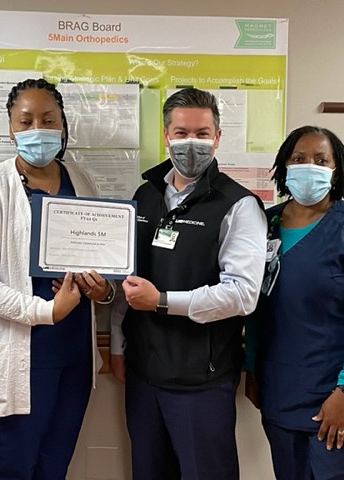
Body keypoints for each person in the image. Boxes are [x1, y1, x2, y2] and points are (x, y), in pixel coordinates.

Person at [0, 78, 112, 480]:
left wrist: (103, 288)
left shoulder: (82, 180)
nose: (37, 130)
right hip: (18, 359)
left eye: (48, 120)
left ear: (63, 127)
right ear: (10, 128)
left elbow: (101, 257)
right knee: (12, 469)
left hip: (73, 355)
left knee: (54, 468)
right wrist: (44, 309)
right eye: (25, 121)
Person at [109, 87, 267, 480]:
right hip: (144, 373)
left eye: (201, 133)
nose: (190, 143)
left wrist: (162, 301)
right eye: (181, 133)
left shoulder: (239, 205)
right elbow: (127, 278)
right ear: (166, 136)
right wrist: (116, 344)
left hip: (202, 379)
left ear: (217, 137)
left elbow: (242, 294)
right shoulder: (144, 196)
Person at [244, 125, 344, 480]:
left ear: (336, 169)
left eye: (320, 159)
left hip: (342, 399)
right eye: (298, 159)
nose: (308, 166)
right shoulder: (264, 225)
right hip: (282, 392)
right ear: (283, 167)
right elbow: (256, 306)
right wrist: (252, 368)